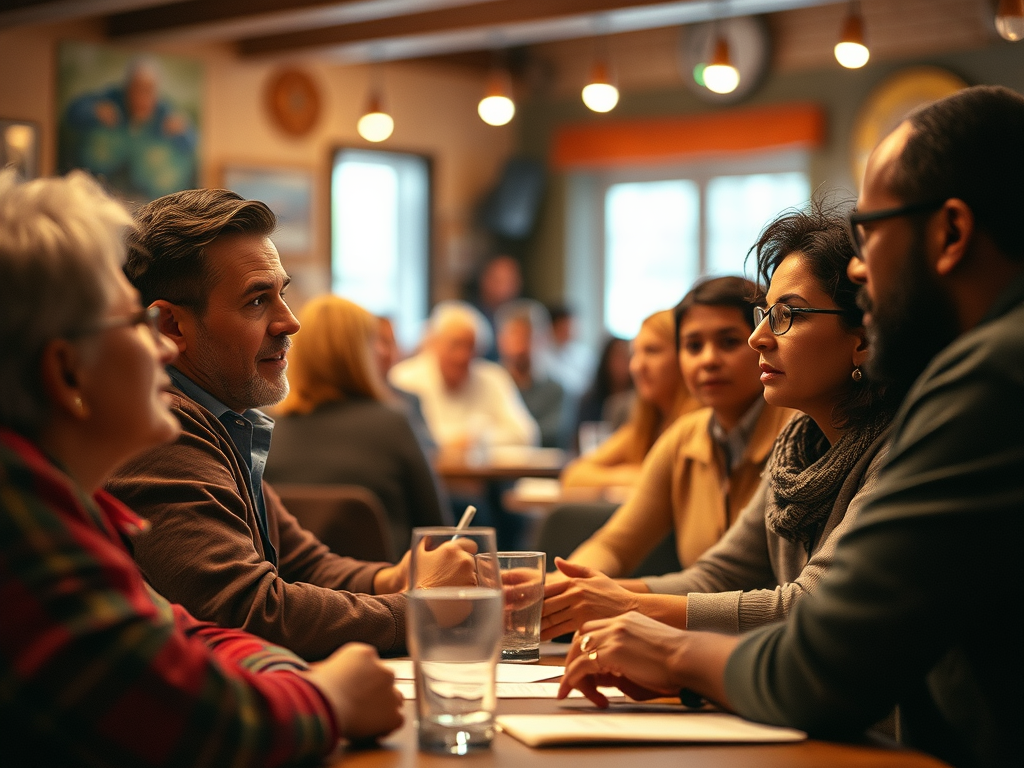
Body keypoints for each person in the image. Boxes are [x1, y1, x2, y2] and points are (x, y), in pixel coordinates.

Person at [558, 85, 1023, 768]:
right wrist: (602, 600)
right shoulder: (807, 442)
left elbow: (825, 662)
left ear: (951, 233)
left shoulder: (991, 378)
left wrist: (666, 646)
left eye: (872, 235)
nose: (862, 273)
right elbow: (726, 578)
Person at [0, 170, 403, 767]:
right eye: (135, 325)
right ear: (67, 373)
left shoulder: (59, 499)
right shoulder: (25, 534)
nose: (161, 350)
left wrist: (400, 591)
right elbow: (194, 714)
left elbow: (181, 631)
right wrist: (326, 696)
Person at [106, 188, 475, 661]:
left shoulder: (222, 421)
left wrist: (399, 577)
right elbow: (249, 610)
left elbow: (305, 563)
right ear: (172, 327)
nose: (290, 321)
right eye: (257, 302)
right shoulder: (163, 425)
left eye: (281, 293)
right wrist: (422, 612)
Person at [544, 202, 895, 639]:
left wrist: (626, 605)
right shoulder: (798, 452)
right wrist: (570, 593)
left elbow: (813, 605)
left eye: (788, 315)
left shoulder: (897, 451)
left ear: (862, 338)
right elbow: (716, 576)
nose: (758, 337)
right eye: (765, 314)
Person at [543, 279, 792, 609]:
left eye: (729, 341)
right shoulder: (684, 438)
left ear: (761, 342)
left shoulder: (794, 431)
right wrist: (561, 586)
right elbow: (616, 544)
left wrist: (611, 598)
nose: (708, 360)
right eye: (693, 346)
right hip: (694, 631)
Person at [264, 295, 450, 556]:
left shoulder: (264, 428)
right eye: (375, 341)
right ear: (359, 352)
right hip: (385, 591)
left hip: (292, 592)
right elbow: (437, 531)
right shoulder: (392, 424)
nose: (384, 351)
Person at [561, 309, 701, 490]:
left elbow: (678, 484)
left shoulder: (700, 425)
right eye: (634, 353)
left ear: (685, 356)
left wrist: (636, 476)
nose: (636, 366)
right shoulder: (646, 426)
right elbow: (574, 474)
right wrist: (632, 475)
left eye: (652, 351)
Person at [389, 300, 540, 453]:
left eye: (470, 346)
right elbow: (407, 439)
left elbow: (525, 434)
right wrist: (457, 440)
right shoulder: (404, 379)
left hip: (489, 475)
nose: (462, 356)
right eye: (455, 345)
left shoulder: (493, 377)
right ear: (434, 343)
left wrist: (476, 439)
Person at [496, 299, 569, 448]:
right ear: (501, 340)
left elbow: (551, 436)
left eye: (528, 336)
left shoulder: (555, 389)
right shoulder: (488, 382)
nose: (520, 346)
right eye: (514, 336)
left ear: (543, 339)